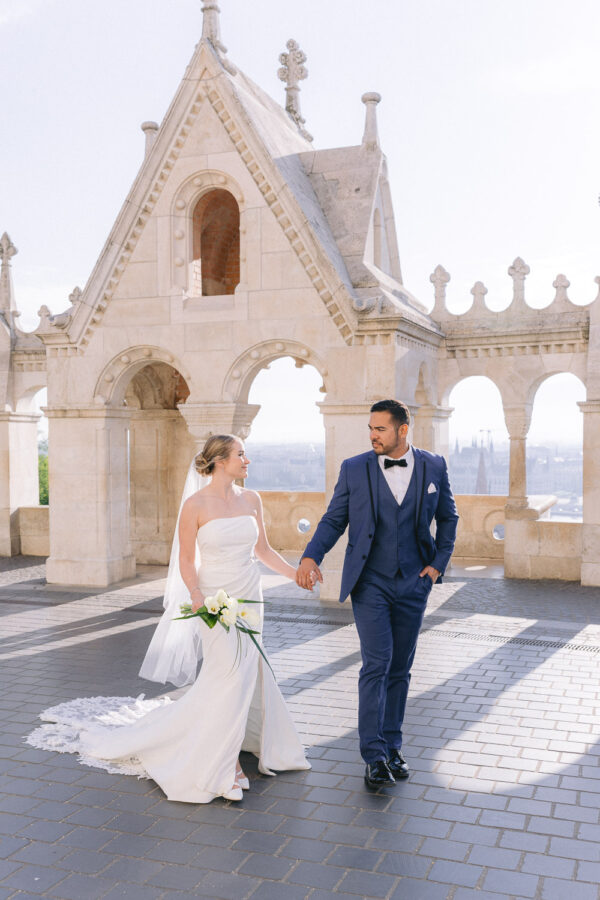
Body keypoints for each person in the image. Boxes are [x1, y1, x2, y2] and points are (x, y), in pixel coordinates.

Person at [28, 434, 310, 803]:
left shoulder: (251, 499)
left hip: (250, 596)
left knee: (245, 673)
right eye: (241, 454)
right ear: (220, 461)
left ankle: (241, 745)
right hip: (213, 600)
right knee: (226, 675)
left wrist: (295, 575)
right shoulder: (195, 505)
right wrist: (196, 595)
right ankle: (225, 764)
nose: (247, 460)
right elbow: (186, 560)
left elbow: (264, 551)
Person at [296, 400, 458, 788]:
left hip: (414, 582)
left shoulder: (434, 466)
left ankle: (393, 747)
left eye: (380, 429)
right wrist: (310, 556)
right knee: (377, 663)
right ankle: (373, 755)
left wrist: (437, 565)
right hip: (370, 582)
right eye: (370, 428)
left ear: (403, 430)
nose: (372, 435)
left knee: (400, 667)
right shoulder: (354, 468)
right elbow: (334, 519)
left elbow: (448, 517)